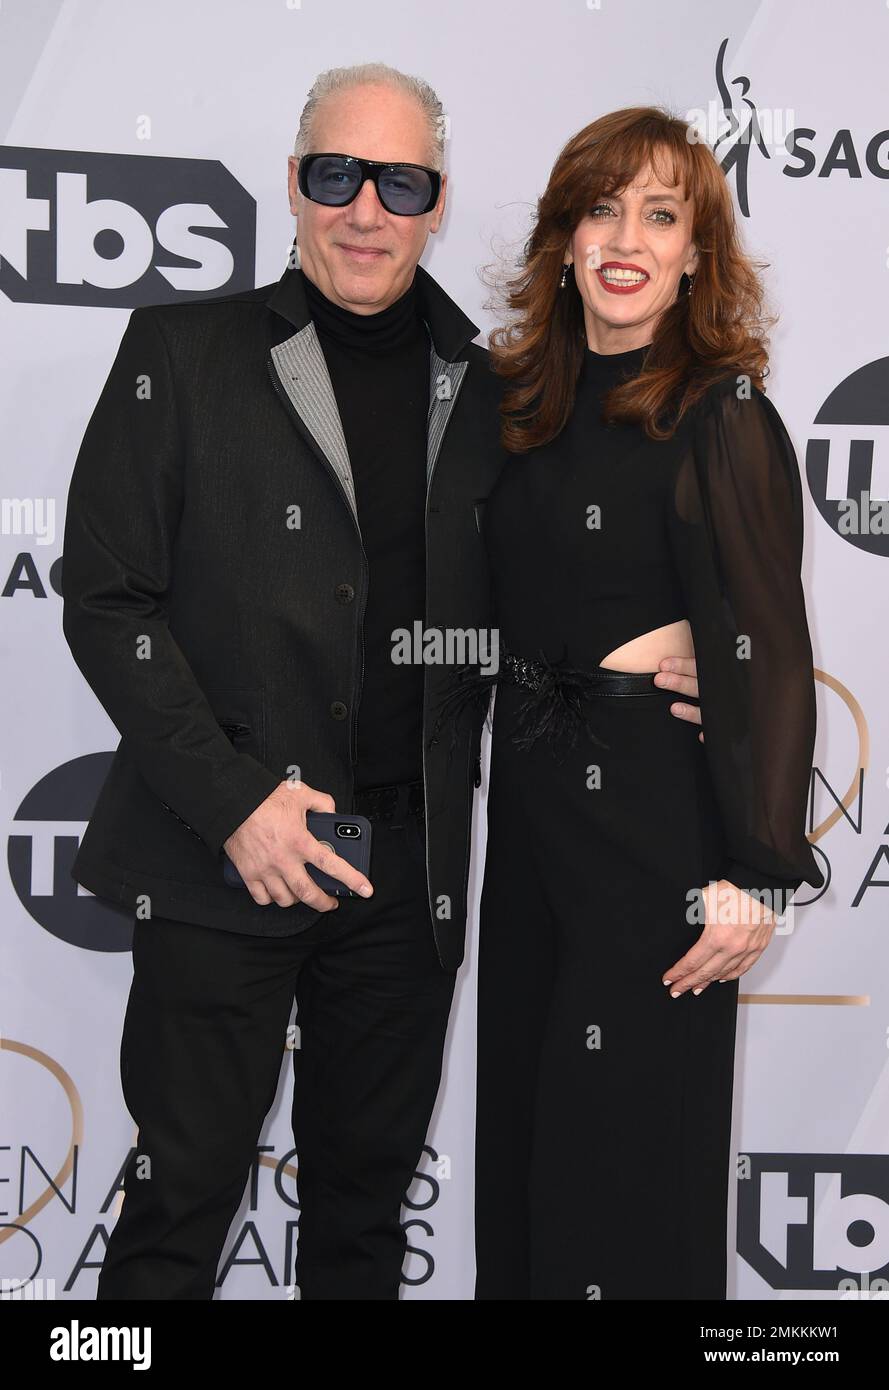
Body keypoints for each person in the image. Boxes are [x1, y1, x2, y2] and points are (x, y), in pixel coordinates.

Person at [62, 65, 702, 1299]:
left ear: (436, 201)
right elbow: (106, 600)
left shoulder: (504, 391)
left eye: (398, 180)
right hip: (215, 859)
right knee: (175, 1210)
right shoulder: (180, 353)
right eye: (336, 174)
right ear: (293, 187)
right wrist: (236, 801)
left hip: (402, 888)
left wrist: (670, 653)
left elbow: (542, 600)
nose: (366, 207)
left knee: (361, 1224)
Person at [471, 107, 825, 1300]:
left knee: (625, 1171)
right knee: (524, 1164)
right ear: (564, 237)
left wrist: (755, 873)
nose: (626, 237)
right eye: (602, 208)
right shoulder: (516, 407)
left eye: (660, 216)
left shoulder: (721, 414)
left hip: (653, 839)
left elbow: (770, 655)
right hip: (527, 831)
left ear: (693, 256)